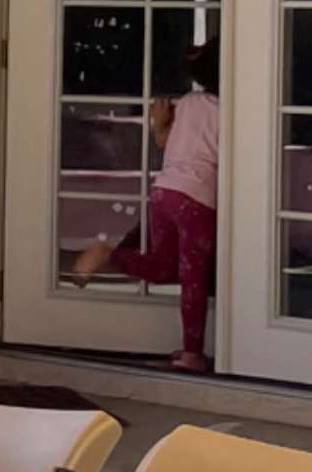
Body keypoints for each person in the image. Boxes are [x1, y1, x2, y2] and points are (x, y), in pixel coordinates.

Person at [73, 35, 218, 371]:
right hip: (197, 198)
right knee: (192, 276)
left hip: (164, 191)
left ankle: (109, 255)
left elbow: (165, 141)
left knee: (164, 266)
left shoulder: (191, 103)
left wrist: (158, 122)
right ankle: (192, 352)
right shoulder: (229, 112)